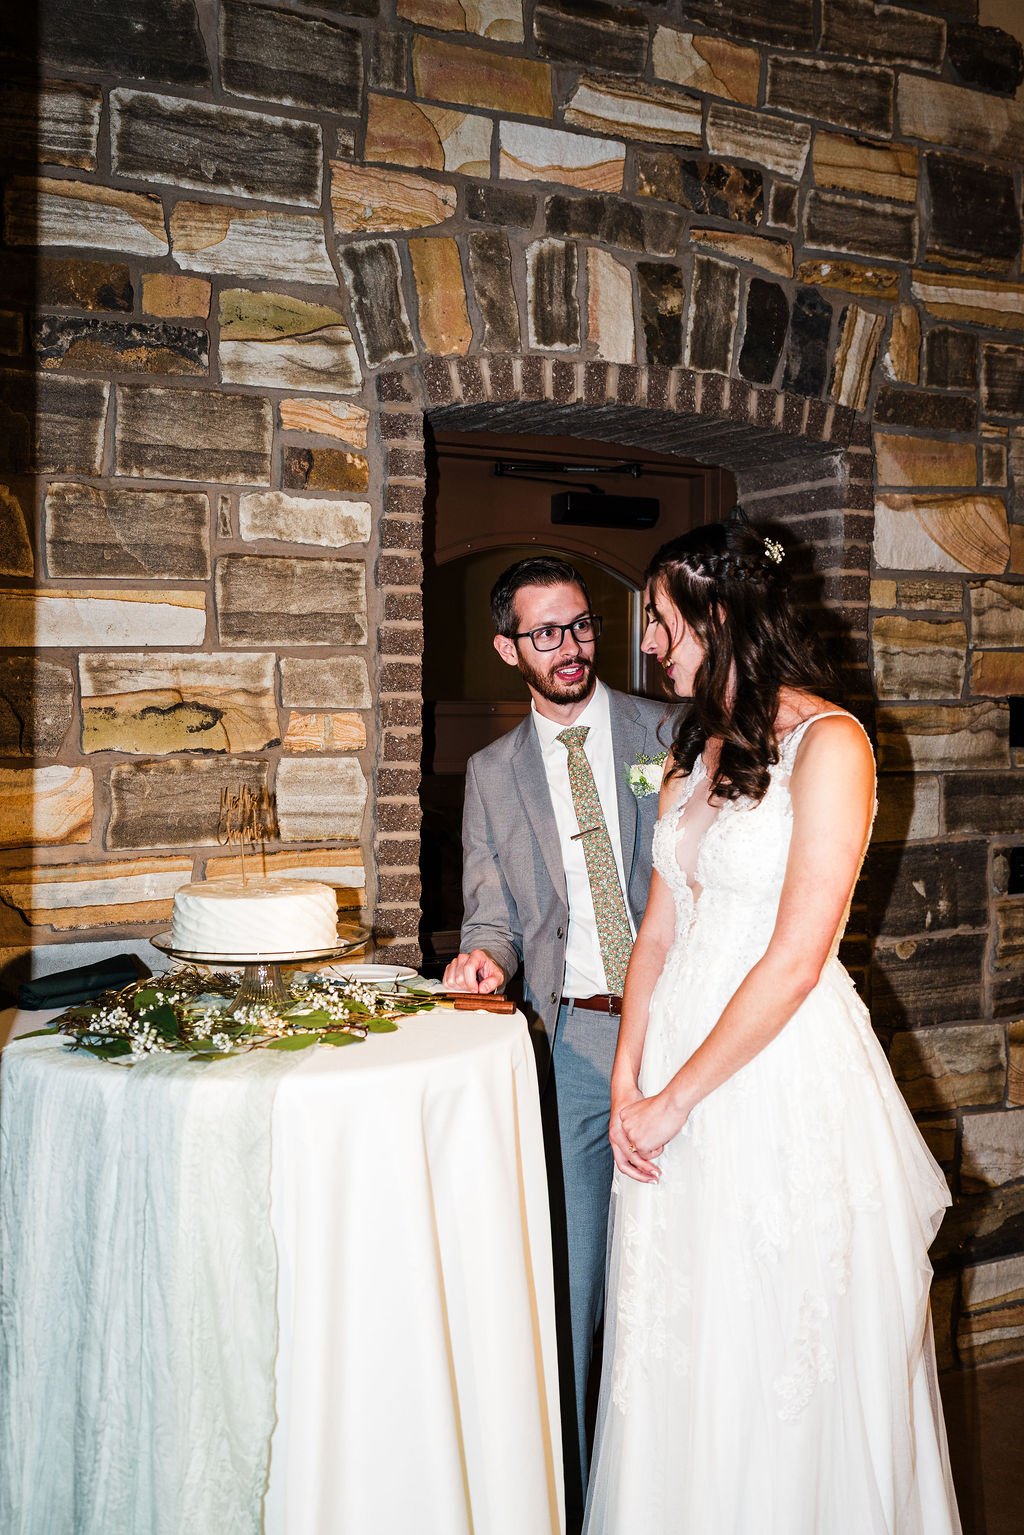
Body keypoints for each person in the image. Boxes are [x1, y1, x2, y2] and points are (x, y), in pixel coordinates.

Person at [584, 517, 961, 1535]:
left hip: (772, 1074)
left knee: (774, 1337)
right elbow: (654, 936)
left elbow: (797, 956)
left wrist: (675, 1097)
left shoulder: (831, 744)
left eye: (662, 619)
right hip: (668, 1079)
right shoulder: (690, 751)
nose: (650, 642)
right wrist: (629, 1084)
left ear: (718, 613)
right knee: (683, 1337)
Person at [443, 555, 670, 1527]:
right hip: (573, 1043)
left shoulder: (668, 730)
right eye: (547, 633)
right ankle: (578, 1502)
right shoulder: (491, 776)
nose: (570, 647)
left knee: (682, 1270)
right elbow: (490, 913)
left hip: (681, 1029)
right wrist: (480, 960)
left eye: (580, 626)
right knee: (573, 1288)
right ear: (507, 648)